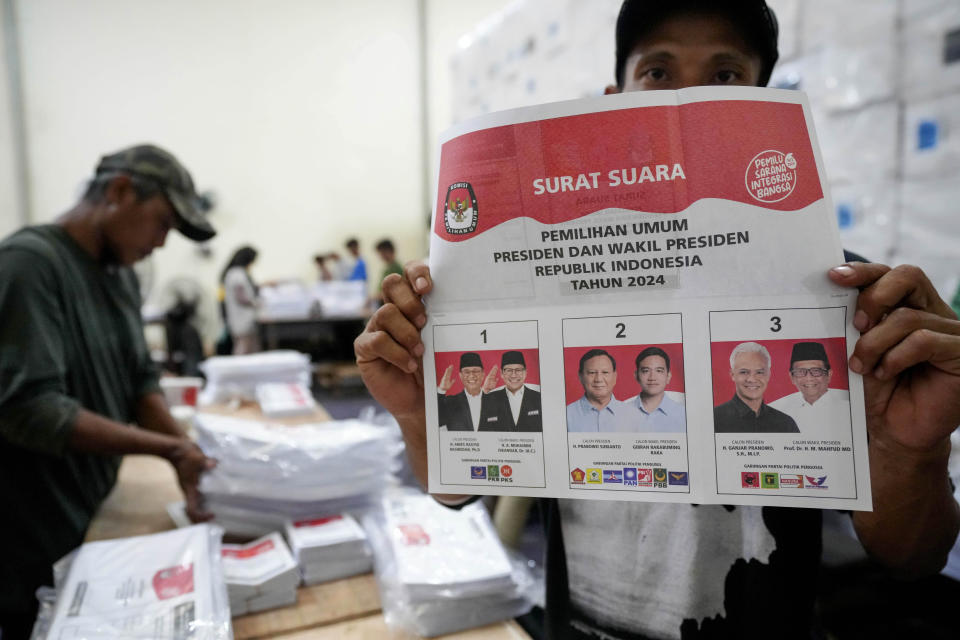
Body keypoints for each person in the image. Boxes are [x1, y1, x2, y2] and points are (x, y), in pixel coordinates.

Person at [354, 2, 960, 637]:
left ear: (766, 100)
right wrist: (419, 415)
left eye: (725, 73)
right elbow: (458, 490)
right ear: (614, 100)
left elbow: (915, 557)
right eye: (659, 71)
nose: (689, 95)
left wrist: (907, 453)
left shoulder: (844, 298)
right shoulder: (534, 276)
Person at [0, 144, 219, 640]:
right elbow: (30, 411)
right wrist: (167, 447)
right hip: (35, 533)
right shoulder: (29, 266)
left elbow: (139, 378)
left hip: (95, 513)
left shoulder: (119, 276)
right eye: (162, 223)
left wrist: (184, 451)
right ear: (120, 191)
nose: (162, 244)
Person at [714, 341, 799, 433]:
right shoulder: (714, 419)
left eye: (759, 372)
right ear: (732, 375)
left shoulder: (786, 423)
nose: (752, 379)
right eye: (744, 372)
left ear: (768, 374)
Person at [770, 341, 851, 438]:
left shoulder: (849, 406)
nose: (809, 378)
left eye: (816, 371)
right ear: (792, 378)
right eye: (800, 372)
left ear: (829, 375)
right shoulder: (778, 410)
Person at [623, 346, 687, 433]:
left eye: (659, 371)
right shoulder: (621, 412)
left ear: (668, 376)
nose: (652, 377)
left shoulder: (683, 414)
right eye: (646, 371)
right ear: (636, 375)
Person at [566, 349, 631, 432]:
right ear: (580, 376)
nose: (598, 379)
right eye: (592, 373)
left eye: (605, 372)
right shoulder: (566, 415)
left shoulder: (632, 414)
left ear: (615, 377)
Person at [480, 351, 543, 432]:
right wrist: (485, 391)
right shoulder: (489, 399)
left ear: (525, 372)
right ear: (502, 373)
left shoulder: (539, 398)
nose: (513, 375)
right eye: (509, 370)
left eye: (518, 370)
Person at [436, 352, 498, 431]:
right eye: (466, 372)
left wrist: (489, 392)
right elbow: (436, 421)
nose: (472, 375)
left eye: (476, 371)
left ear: (483, 374)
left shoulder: (495, 402)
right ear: (460, 376)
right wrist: (442, 390)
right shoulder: (450, 402)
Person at [220, 245, 260, 354]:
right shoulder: (237, 274)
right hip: (242, 319)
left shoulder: (233, 273)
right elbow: (241, 298)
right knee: (242, 347)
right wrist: (257, 303)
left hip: (239, 318)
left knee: (247, 347)